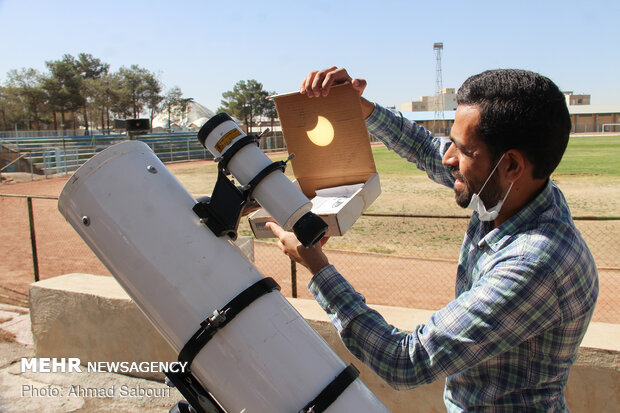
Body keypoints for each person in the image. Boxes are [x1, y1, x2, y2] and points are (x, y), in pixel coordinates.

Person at [267, 67, 599, 412]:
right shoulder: (513, 192)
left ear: (512, 164)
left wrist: (317, 268)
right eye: (451, 141)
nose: (447, 158)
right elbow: (426, 147)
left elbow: (405, 361)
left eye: (462, 149)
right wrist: (358, 107)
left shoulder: (534, 265)